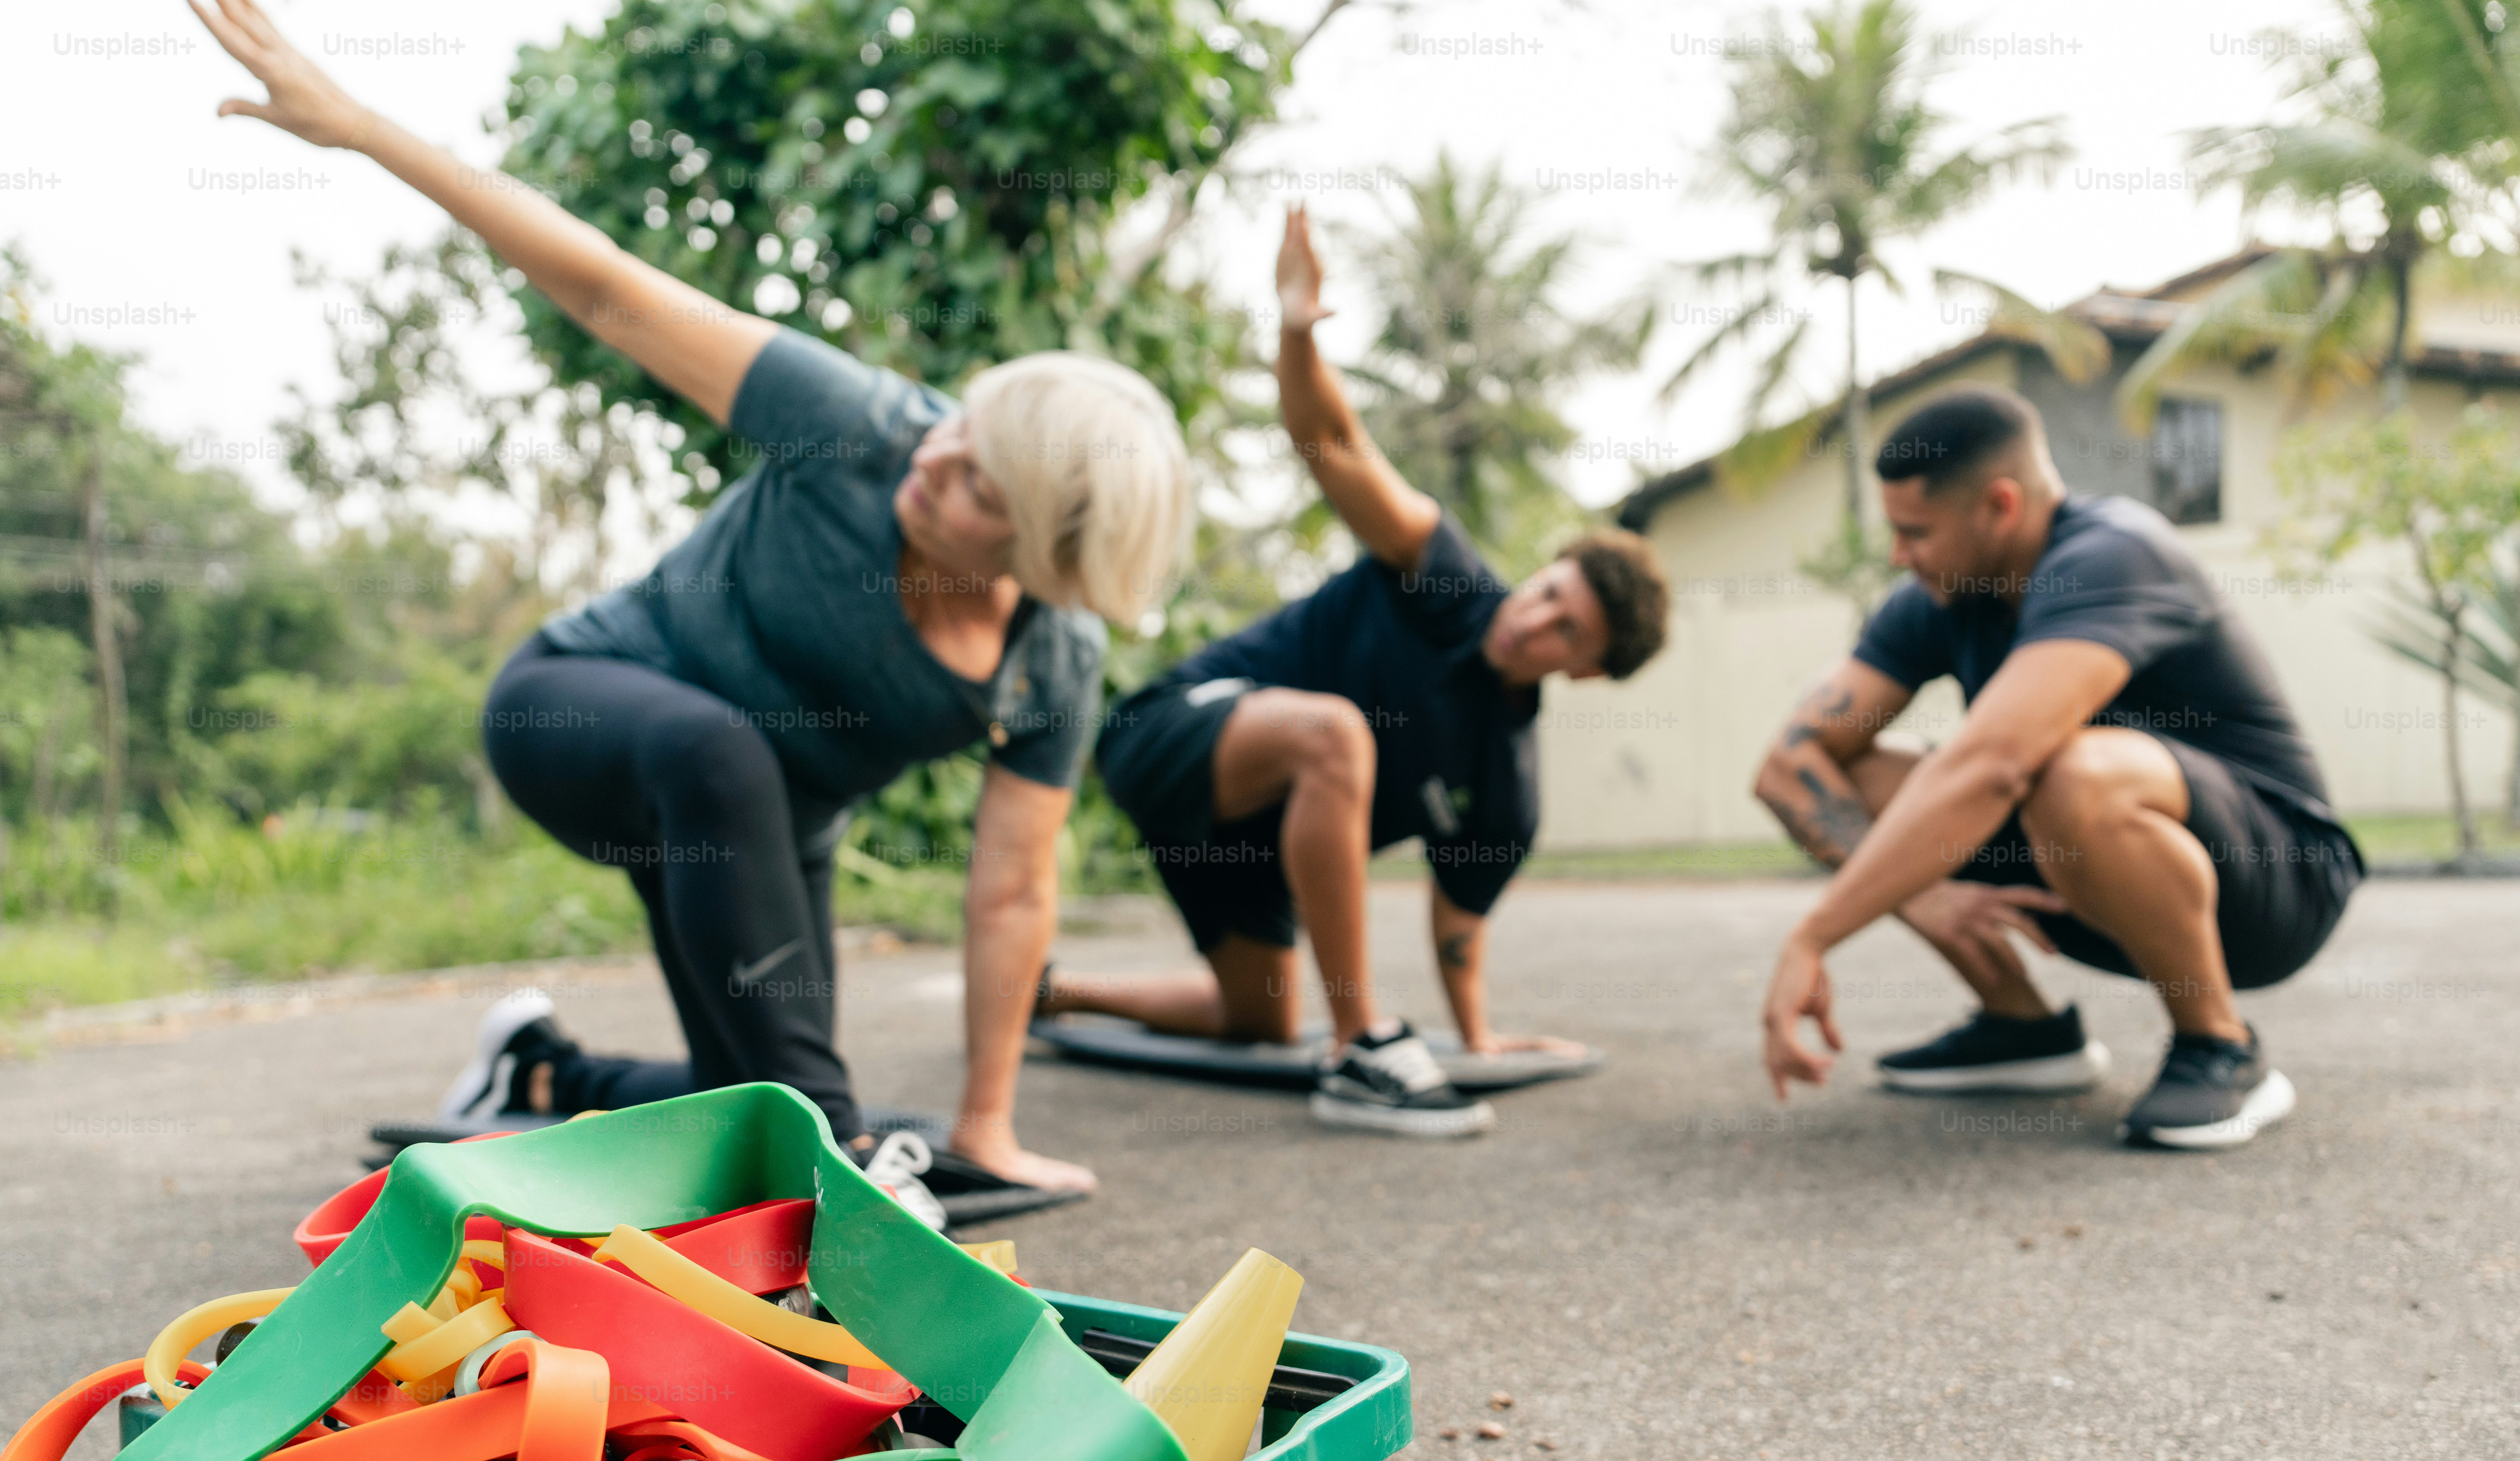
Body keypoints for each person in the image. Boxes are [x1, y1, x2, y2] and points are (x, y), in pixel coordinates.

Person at [194, 0, 1192, 1196]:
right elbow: (606, 287)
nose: (935, 457)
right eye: (959, 426)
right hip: (582, 713)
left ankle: (542, 1076)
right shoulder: (862, 428)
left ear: (1038, 547)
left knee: (750, 1107)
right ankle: (837, 1163)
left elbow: (1015, 887)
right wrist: (361, 127)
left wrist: (987, 1131)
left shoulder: (1051, 662)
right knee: (811, 1099)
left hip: (757, 837)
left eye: (977, 480)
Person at [1035, 208, 1672, 1137]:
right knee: (1336, 732)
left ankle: (1052, 990)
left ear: (1583, 671)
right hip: (1167, 736)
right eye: (1546, 590)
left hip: (1240, 845)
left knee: (1256, 1019)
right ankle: (1359, 1046)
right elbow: (1331, 444)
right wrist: (1295, 327)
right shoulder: (1444, 576)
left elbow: (1459, 925)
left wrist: (1480, 1036)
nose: (1532, 619)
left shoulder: (1507, 789)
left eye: (1563, 629)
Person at [1752, 387, 2362, 1150]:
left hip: (2275, 883)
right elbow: (1788, 765)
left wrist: (1811, 938)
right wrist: (1926, 895)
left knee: (2063, 767)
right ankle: (2023, 1031)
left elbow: (1996, 764)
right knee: (1871, 779)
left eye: (1915, 533)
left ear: (2000, 506)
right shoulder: (1939, 596)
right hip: (2081, 876)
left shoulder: (2114, 553)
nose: (1898, 556)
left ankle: (2220, 1045)